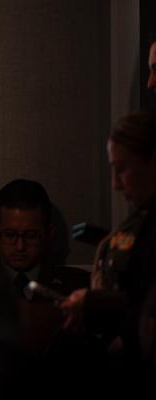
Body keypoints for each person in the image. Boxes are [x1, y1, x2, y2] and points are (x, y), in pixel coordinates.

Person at [62, 113, 156, 356]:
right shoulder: (140, 220)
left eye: (122, 169)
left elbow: (144, 302)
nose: (115, 184)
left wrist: (92, 303)